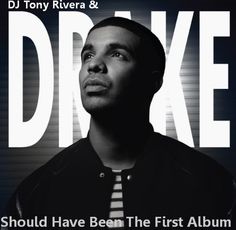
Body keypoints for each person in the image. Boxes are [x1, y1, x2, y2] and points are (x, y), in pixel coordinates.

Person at [2, 17, 235, 229]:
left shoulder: (211, 185)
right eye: (88, 55)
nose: (94, 65)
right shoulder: (33, 194)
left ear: (152, 81)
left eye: (117, 54)